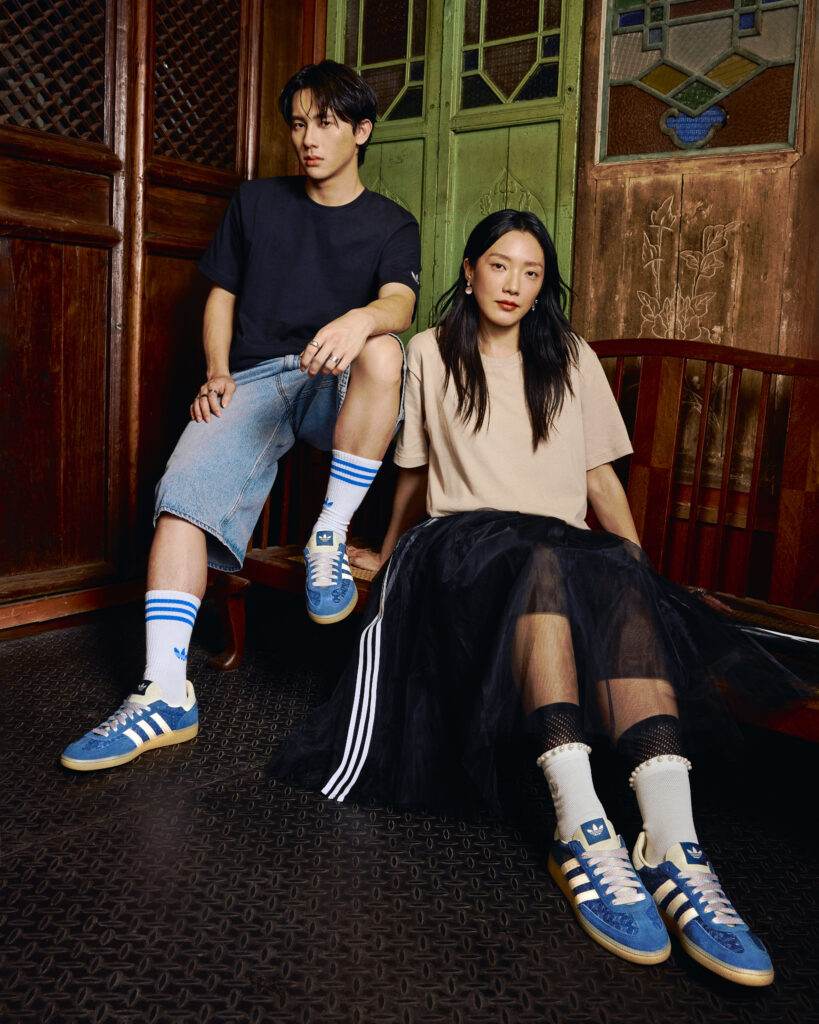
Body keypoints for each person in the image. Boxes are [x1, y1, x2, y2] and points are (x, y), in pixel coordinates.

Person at [270, 210, 805, 987]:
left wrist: (637, 569)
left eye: (530, 272)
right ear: (468, 272)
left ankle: (672, 845)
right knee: (542, 562)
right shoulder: (429, 351)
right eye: (499, 265)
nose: (513, 284)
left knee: (603, 566)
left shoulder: (569, 354)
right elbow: (414, 474)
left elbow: (597, 478)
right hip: (464, 545)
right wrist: (386, 551)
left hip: (553, 543)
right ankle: (580, 827)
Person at [60, 61, 421, 772]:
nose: (308, 138)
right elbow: (220, 295)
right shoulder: (256, 202)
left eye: (325, 123)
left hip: (334, 380)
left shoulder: (391, 223)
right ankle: (165, 692)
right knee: (181, 500)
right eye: (298, 123)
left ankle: (327, 534)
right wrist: (218, 371)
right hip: (253, 381)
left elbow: (399, 305)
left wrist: (359, 321)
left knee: (385, 350)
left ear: (361, 131)